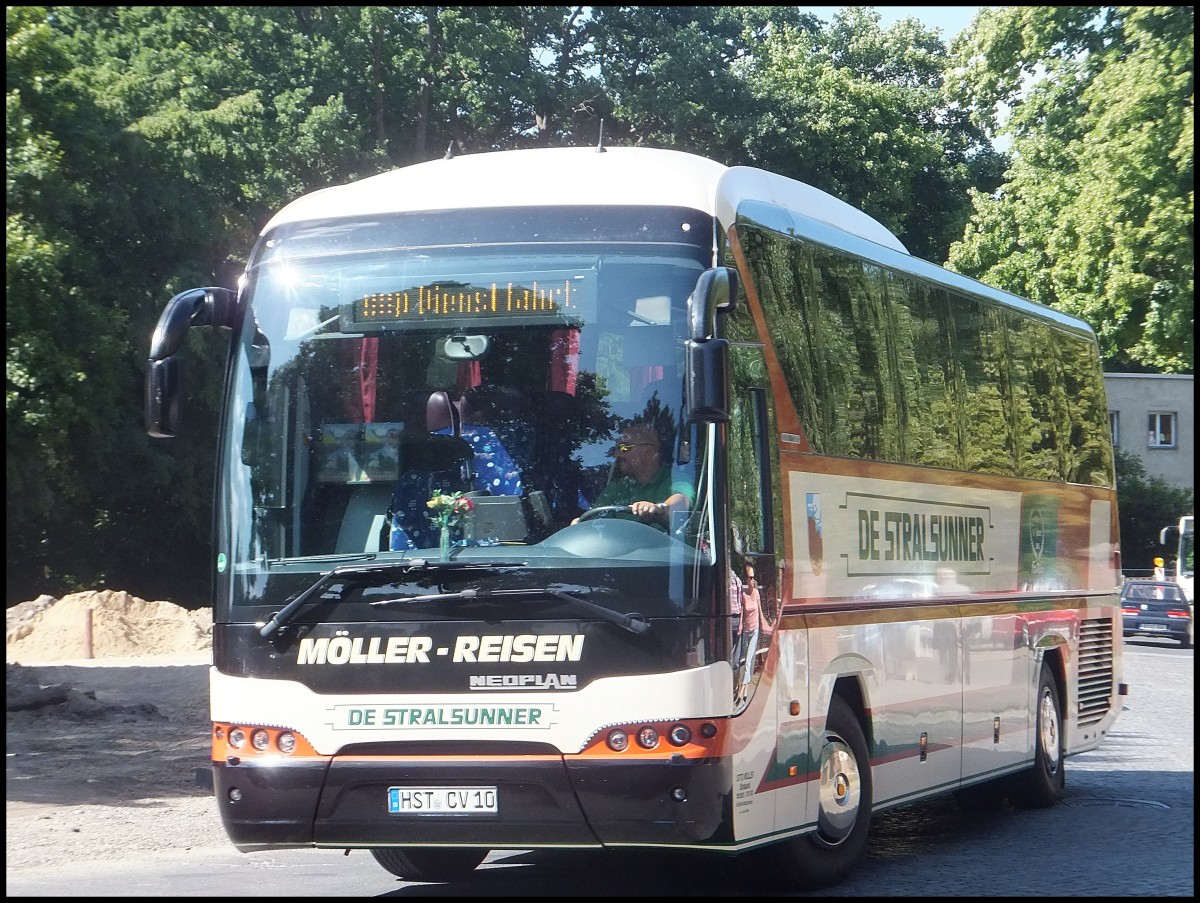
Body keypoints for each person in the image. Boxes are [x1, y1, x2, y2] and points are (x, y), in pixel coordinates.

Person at [574, 421, 693, 528]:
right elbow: (596, 518)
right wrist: (582, 524)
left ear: (648, 452)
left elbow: (681, 502)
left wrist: (658, 508)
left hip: (663, 551)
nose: (616, 454)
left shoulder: (675, 479)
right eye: (617, 448)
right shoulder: (619, 487)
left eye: (624, 448)